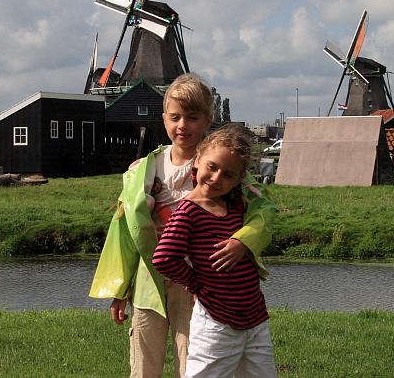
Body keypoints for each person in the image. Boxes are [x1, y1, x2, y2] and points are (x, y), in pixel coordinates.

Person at [89, 73, 276, 378]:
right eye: (175, 117)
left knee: (191, 358)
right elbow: (125, 230)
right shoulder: (144, 169)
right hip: (150, 276)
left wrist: (243, 240)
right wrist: (120, 288)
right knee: (144, 358)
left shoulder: (220, 166)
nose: (182, 125)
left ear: (207, 120)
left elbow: (263, 209)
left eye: (192, 117)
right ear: (163, 118)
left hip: (198, 279)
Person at [153, 125, 276, 377]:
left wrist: (243, 243)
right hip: (216, 321)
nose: (217, 178)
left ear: (239, 179)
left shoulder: (235, 206)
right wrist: (196, 284)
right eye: (212, 167)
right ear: (197, 161)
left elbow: (266, 211)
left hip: (254, 317)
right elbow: (164, 257)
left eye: (228, 175)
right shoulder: (188, 211)